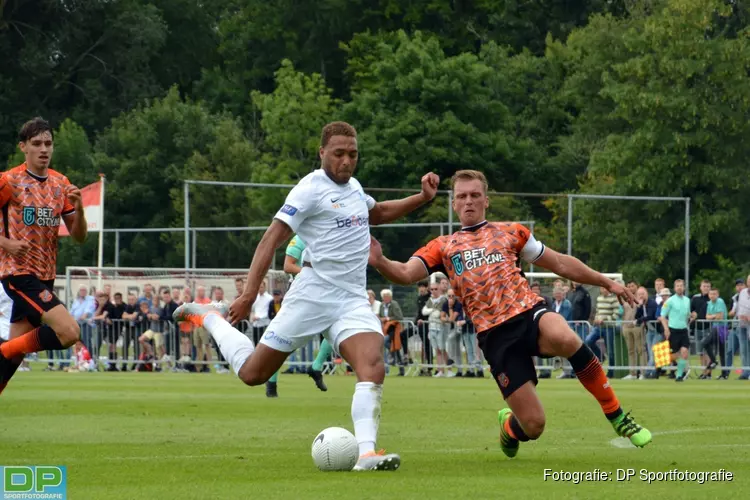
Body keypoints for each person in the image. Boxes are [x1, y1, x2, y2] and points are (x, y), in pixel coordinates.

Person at [174, 121, 439, 471]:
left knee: (372, 365)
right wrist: (250, 293)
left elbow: (378, 213)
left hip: (351, 298)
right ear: (322, 153)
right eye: (339, 154)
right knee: (253, 374)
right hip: (312, 294)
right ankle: (209, 316)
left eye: (353, 154)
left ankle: (366, 454)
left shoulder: (355, 187)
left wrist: (422, 198)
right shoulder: (310, 189)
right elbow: (271, 239)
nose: (347, 161)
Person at [367, 169, 651, 458]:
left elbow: (561, 263)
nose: (469, 201)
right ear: (453, 203)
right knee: (534, 425)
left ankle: (616, 415)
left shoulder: (511, 232)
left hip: (529, 313)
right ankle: (509, 427)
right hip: (494, 336)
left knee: (563, 334)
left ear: (486, 200)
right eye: (462, 196)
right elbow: (404, 273)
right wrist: (379, 261)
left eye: (475, 195)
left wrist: (606, 281)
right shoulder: (442, 246)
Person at [0, 117, 88, 394]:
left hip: (45, 277)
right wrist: (6, 244)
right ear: (23, 147)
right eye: (36, 143)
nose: (44, 149)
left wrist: (80, 209)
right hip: (18, 274)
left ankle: (4, 351)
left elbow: (79, 236)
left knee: (11, 358)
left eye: (48, 143)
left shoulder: (61, 184)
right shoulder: (8, 182)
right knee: (69, 333)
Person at [278, 233, 331, 393]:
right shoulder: (301, 237)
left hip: (322, 292)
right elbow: (288, 266)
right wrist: (312, 274)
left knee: (334, 326)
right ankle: (271, 382)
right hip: (301, 293)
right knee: (283, 337)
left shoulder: (329, 237)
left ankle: (316, 366)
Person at [658, 279, 692, 382]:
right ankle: (660, 361)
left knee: (685, 352)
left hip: (683, 330)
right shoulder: (670, 301)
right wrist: (666, 329)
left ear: (684, 287)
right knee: (673, 355)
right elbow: (663, 316)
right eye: (677, 286)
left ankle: (679, 375)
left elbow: (688, 314)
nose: (679, 287)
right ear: (674, 288)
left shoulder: (687, 300)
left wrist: (692, 316)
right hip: (673, 330)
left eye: (681, 285)